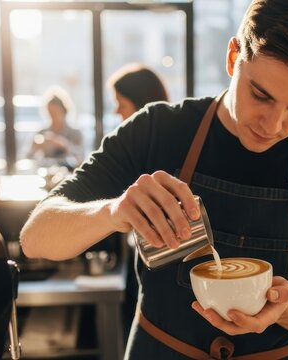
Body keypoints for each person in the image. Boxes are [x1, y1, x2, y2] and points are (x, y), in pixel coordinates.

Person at [21, 1, 288, 359]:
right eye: (260, 95)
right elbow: (35, 238)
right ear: (233, 57)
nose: (272, 125)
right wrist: (114, 212)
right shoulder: (158, 129)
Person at [107, 64, 170, 342]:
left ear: (140, 103)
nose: (116, 112)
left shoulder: (153, 146)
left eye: (121, 103)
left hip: (156, 262)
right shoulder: (137, 143)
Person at [27, 87, 83, 168]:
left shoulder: (75, 133)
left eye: (56, 113)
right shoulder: (41, 133)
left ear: (64, 111)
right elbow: (27, 158)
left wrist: (64, 145)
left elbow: (81, 158)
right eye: (50, 113)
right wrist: (35, 148)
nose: (53, 117)